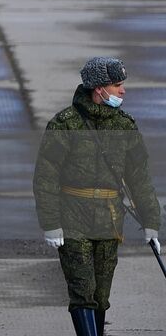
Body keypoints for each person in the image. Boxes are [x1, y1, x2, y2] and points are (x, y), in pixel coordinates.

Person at [35, 57, 162, 336]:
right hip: (72, 218)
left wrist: (152, 221)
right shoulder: (65, 125)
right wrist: (51, 223)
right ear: (98, 89)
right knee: (83, 291)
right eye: (117, 85)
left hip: (109, 220)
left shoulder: (126, 126)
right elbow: (45, 177)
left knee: (101, 294)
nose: (123, 91)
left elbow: (139, 177)